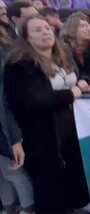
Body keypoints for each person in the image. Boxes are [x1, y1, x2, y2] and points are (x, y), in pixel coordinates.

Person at [4, 16, 90, 213]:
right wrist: (71, 94)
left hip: (70, 129)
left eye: (47, 28)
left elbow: (78, 74)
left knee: (71, 178)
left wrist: (83, 83)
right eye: (37, 30)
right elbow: (32, 100)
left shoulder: (61, 55)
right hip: (43, 136)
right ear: (26, 38)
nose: (45, 32)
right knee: (49, 187)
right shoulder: (20, 65)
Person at [0, 24, 34, 213]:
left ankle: (28, 208)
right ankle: (9, 206)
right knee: (3, 174)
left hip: (4, 127)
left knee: (13, 171)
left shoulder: (6, 55)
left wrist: (14, 138)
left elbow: (6, 101)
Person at [60, 12, 90, 81]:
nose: (88, 28)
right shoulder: (63, 49)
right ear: (72, 30)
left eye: (88, 25)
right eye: (82, 26)